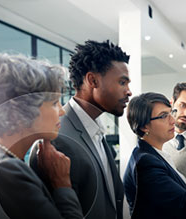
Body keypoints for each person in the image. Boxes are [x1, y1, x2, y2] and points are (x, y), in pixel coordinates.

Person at [0, 54, 83, 219]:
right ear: (19, 111)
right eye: (55, 103)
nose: (62, 111)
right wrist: (62, 184)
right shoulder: (7, 173)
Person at [30, 40, 131, 219]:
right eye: (122, 82)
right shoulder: (55, 137)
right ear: (92, 80)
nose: (128, 91)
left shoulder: (96, 128)